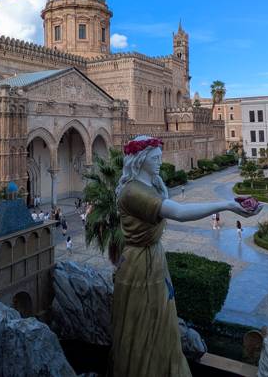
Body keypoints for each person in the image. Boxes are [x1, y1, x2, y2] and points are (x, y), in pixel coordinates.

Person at [109, 135, 258, 377]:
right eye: (155, 158)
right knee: (142, 325)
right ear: (141, 159)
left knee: (158, 322)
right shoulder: (133, 192)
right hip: (139, 266)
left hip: (151, 259)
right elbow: (179, 212)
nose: (160, 162)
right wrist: (227, 205)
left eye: (160, 157)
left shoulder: (147, 186)